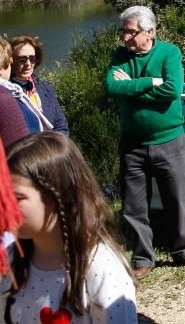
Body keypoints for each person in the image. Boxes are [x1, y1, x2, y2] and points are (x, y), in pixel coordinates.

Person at [1, 132, 137, 323]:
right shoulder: (12, 258)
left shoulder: (100, 268)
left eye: (17, 198)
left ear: (56, 197)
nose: (5, 206)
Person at [105, 6, 185, 278]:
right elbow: (112, 86)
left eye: (131, 32)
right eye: (124, 31)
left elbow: (173, 90)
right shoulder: (120, 56)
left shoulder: (169, 52)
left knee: (175, 199)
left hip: (170, 141)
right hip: (133, 144)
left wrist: (133, 86)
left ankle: (182, 251)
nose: (125, 38)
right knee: (134, 205)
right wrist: (151, 81)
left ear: (149, 32)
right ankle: (143, 257)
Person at [7, 35, 69, 135]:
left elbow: (61, 125)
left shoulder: (46, 88)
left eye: (32, 59)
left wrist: (55, 148)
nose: (28, 64)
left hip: (52, 147)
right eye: (22, 60)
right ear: (11, 61)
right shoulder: (8, 92)